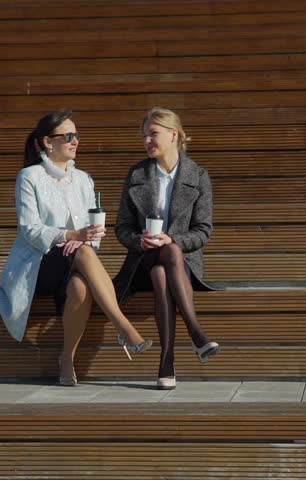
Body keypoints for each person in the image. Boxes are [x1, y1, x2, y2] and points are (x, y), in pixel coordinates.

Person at [0, 108, 152, 387]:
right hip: (37, 263)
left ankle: (66, 359)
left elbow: (93, 232)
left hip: (76, 259)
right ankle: (123, 326)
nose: (75, 140)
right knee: (83, 252)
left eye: (76, 135)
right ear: (47, 142)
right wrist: (71, 235)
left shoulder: (84, 180)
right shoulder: (29, 177)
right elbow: (29, 229)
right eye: (67, 136)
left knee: (80, 285)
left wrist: (84, 238)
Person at [114, 107, 220, 390]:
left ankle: (166, 361)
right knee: (163, 258)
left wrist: (172, 240)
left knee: (163, 269)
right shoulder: (137, 174)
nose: (147, 141)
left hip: (183, 266)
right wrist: (138, 240)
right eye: (144, 136)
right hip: (141, 260)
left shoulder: (198, 175)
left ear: (174, 135)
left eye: (153, 134)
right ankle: (196, 334)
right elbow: (122, 227)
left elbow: (203, 231)